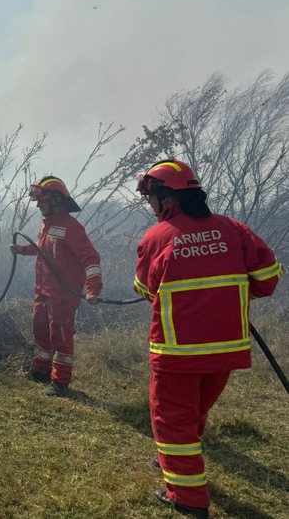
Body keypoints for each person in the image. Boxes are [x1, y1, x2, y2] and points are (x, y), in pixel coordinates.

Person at [134, 159, 282, 518]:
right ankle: (175, 461)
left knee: (172, 420)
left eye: (151, 198)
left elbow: (144, 289)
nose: (151, 207)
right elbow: (268, 280)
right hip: (225, 350)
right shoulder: (234, 229)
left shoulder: (157, 237)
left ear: (166, 198)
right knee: (194, 412)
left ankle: (187, 497)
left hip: (176, 351)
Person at [10, 176, 102, 397]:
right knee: (40, 331)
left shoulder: (72, 227)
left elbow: (90, 259)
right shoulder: (47, 224)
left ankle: (60, 382)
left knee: (60, 336)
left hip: (62, 295)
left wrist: (93, 289)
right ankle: (41, 371)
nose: (39, 205)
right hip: (42, 291)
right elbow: (42, 250)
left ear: (57, 200)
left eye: (42, 201)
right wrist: (22, 250)